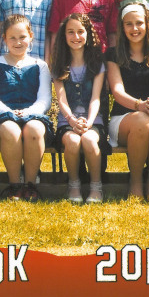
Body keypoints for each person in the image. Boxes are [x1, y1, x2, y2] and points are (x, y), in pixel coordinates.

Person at [0, 15, 53, 202]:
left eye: (22, 37)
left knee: (35, 129)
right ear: (4, 39)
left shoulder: (40, 66)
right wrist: (10, 113)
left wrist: (28, 113)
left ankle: (30, 185)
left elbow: (45, 100)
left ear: (31, 37)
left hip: (34, 115)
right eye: (12, 38)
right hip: (3, 117)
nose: (18, 42)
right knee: (11, 130)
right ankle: (15, 186)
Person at [107, 4, 149, 201]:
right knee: (141, 120)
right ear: (122, 27)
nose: (134, 28)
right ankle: (135, 183)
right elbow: (117, 91)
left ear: (148, 24)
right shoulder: (113, 54)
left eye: (139, 23)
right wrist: (140, 105)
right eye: (129, 24)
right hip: (123, 118)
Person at [51, 13, 107, 203]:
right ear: (64, 35)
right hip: (67, 121)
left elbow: (96, 98)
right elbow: (61, 99)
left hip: (93, 120)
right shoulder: (58, 65)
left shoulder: (97, 64)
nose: (76, 37)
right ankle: (74, 184)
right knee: (73, 141)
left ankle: (96, 186)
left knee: (90, 140)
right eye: (70, 32)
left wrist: (89, 122)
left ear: (88, 34)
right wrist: (72, 121)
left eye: (80, 31)